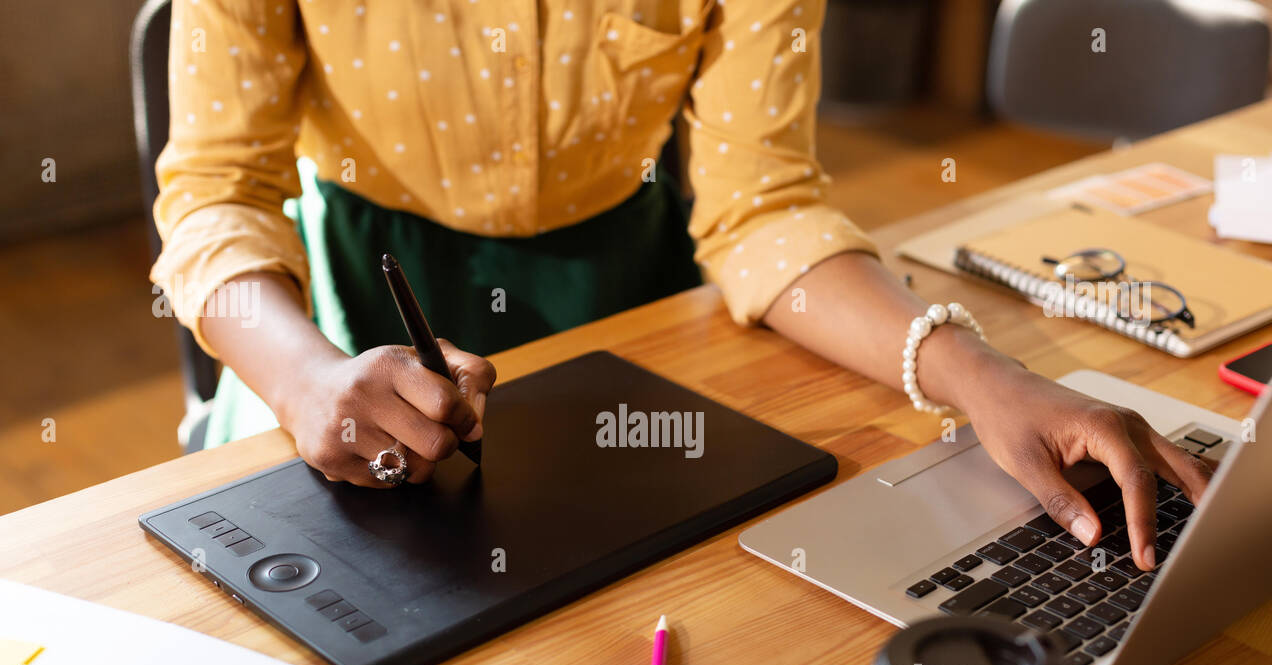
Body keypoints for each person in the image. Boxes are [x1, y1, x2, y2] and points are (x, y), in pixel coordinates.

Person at [151, 1, 1213, 573]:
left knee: (660, 599)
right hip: (335, 315)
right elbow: (211, 194)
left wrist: (984, 377)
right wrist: (301, 382)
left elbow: (762, 207)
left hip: (630, 296)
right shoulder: (311, 360)